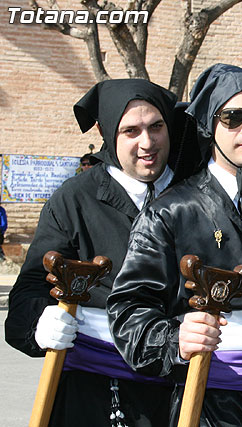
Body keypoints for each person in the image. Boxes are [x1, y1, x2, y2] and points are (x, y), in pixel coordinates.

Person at [107, 64, 242, 426]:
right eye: (233, 117)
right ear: (210, 125)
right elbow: (129, 311)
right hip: (208, 403)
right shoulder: (169, 213)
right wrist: (175, 337)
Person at [5, 79, 184, 427]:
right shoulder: (74, 200)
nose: (147, 143)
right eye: (130, 131)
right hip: (95, 394)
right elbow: (29, 290)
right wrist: (40, 322)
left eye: (156, 127)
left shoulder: (193, 193)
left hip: (182, 389)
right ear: (107, 132)